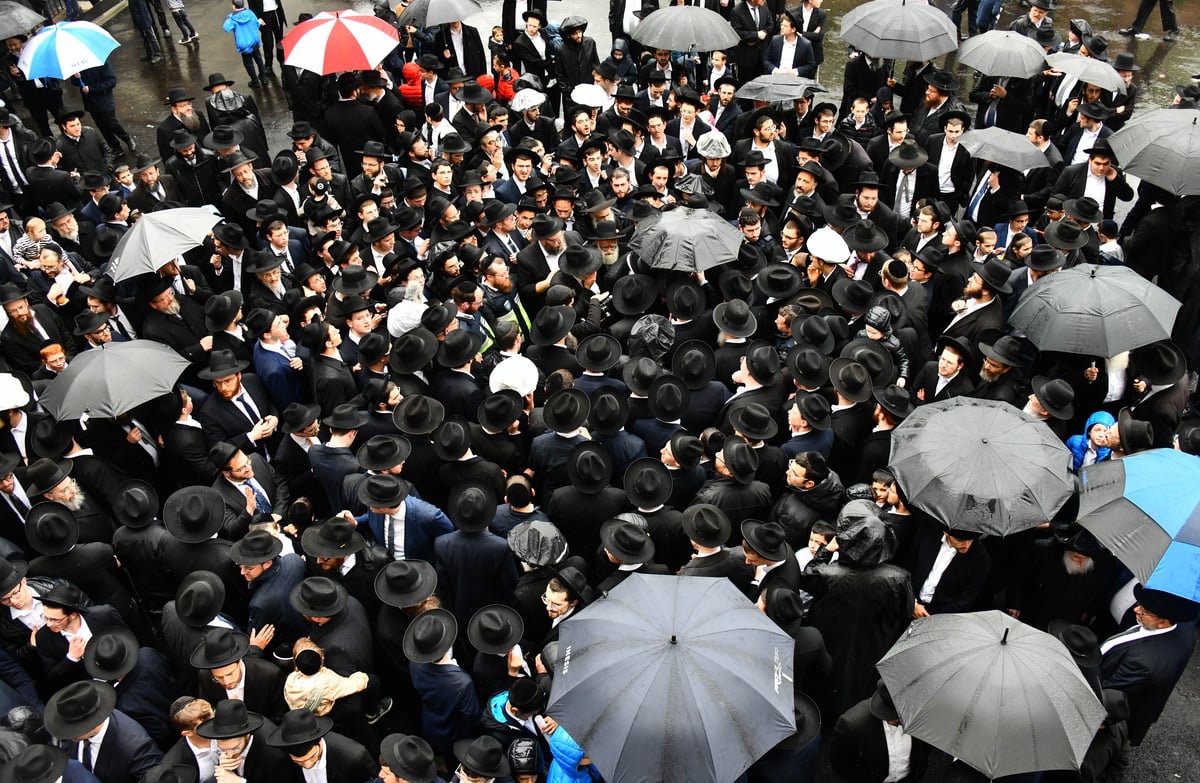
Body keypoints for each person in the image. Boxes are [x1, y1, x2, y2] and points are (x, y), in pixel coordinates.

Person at [223, 0, 268, 89]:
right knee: (259, 60)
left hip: (244, 46)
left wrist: (230, 16)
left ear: (233, 6)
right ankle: (263, 78)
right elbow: (257, 24)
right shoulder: (250, 13)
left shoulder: (233, 19)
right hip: (254, 42)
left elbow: (226, 28)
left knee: (248, 63)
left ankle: (255, 81)